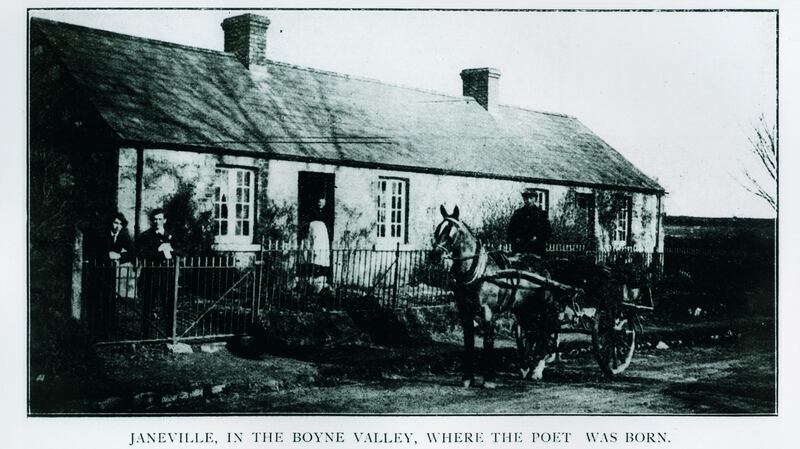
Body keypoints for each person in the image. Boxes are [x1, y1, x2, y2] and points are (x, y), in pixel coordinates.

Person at [137, 208, 177, 338]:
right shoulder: (145, 236)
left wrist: (171, 249)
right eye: (155, 219)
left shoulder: (171, 235)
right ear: (151, 221)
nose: (157, 222)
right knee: (148, 306)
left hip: (167, 276)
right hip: (151, 275)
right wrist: (158, 250)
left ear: (164, 220)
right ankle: (146, 336)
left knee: (169, 306)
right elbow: (141, 253)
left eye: (160, 219)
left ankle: (170, 335)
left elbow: (181, 250)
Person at [507, 189, 552, 257]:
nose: (528, 200)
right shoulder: (518, 213)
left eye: (531, 198)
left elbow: (547, 231)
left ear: (535, 199)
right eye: (526, 198)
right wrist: (515, 238)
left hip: (536, 250)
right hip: (520, 249)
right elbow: (510, 230)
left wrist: (537, 238)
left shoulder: (541, 214)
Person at [303, 194, 331, 294]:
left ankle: (321, 277)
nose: (320, 203)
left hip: (321, 236)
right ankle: (311, 277)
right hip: (313, 234)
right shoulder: (312, 213)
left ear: (325, 201)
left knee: (321, 255)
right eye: (318, 201)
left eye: (322, 200)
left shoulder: (326, 214)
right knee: (312, 253)